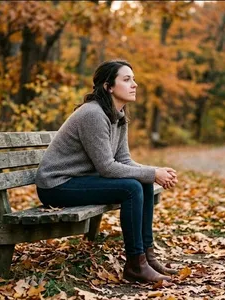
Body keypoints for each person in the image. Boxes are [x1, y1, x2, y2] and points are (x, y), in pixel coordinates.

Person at [35, 59, 179, 283]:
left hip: (78, 180)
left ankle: (147, 257)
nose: (135, 84)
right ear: (108, 86)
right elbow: (107, 167)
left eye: (134, 79)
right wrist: (152, 173)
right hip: (56, 185)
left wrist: (154, 172)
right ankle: (135, 264)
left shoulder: (118, 117)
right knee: (131, 187)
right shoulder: (93, 114)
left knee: (142, 182)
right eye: (127, 79)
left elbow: (124, 160)